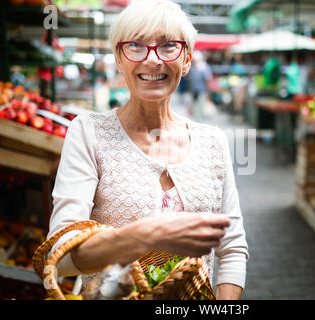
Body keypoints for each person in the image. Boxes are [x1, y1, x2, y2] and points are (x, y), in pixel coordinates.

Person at [47, 0, 248, 300]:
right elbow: (60, 257)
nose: (153, 60)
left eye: (168, 46)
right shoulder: (88, 132)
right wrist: (147, 235)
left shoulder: (213, 141)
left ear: (187, 60)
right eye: (136, 46)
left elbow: (232, 247)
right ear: (119, 58)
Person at [188, 50, 213, 121]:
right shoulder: (192, 67)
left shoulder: (204, 67)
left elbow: (208, 80)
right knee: (194, 109)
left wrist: (209, 93)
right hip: (193, 92)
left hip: (202, 91)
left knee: (200, 108)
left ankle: (200, 123)